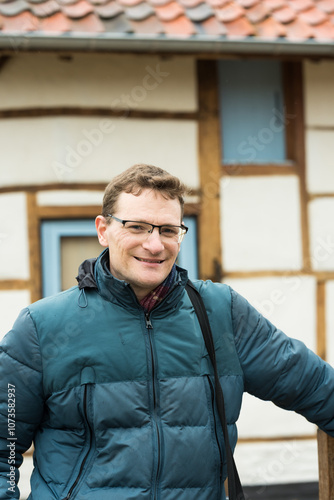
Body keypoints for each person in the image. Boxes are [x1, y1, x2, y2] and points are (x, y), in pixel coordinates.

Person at [0, 163, 333, 500]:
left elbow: (316, 387)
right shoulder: (42, 327)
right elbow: (4, 441)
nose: (155, 245)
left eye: (169, 231)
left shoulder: (222, 312)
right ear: (103, 229)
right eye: (138, 227)